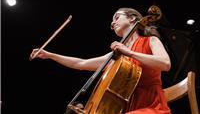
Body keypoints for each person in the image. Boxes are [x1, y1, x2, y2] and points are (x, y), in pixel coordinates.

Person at [30, 7, 171, 114]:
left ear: (132, 18)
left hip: (151, 106)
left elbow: (165, 64)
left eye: (116, 17)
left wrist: (129, 52)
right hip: (125, 108)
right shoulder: (116, 55)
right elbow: (81, 63)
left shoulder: (150, 41)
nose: (112, 23)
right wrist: (50, 55)